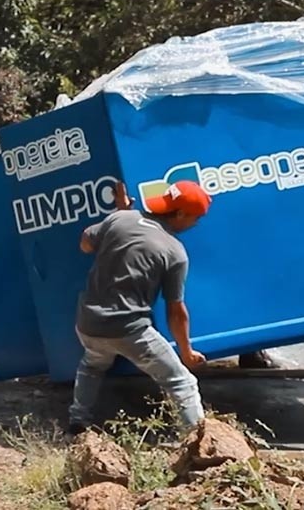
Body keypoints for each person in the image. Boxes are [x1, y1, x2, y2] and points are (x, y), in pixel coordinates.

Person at [68, 180, 211, 435]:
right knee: (182, 383)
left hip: (87, 324)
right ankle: (198, 446)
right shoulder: (174, 251)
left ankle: (78, 422)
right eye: (195, 218)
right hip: (128, 331)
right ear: (179, 214)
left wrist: (119, 215)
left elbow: (84, 244)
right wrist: (186, 352)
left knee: (92, 364)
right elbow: (175, 312)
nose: (196, 224)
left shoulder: (122, 218)